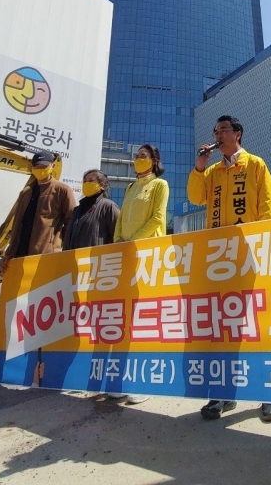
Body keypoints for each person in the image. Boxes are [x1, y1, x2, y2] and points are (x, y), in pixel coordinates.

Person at [187, 115, 271, 423]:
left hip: (249, 256)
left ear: (237, 134)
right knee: (223, 327)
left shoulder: (255, 164)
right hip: (219, 259)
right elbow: (195, 197)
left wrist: (262, 243)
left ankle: (269, 393)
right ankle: (223, 394)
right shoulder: (212, 171)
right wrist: (200, 167)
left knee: (255, 325)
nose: (218, 135)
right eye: (215, 132)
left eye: (224, 130)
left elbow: (268, 205)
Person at [109, 143, 169, 405]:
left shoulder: (160, 186)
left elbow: (157, 219)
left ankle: (143, 382)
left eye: (143, 157)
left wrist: (133, 242)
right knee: (124, 314)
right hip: (126, 254)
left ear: (154, 161)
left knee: (144, 316)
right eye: (136, 156)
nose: (137, 160)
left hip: (147, 254)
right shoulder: (132, 187)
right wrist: (117, 242)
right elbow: (121, 218)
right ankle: (120, 378)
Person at [1, 150, 76, 272]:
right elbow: (16, 225)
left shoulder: (62, 190)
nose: (40, 169)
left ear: (53, 166)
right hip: (18, 255)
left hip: (45, 255)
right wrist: (9, 252)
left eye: (44, 166)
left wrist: (57, 244)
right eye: (37, 166)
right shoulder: (26, 192)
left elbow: (71, 221)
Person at [63, 170, 119, 251]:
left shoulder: (108, 207)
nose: (86, 184)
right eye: (85, 182)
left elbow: (116, 236)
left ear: (102, 185)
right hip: (74, 259)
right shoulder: (78, 209)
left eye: (91, 181)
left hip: (96, 259)